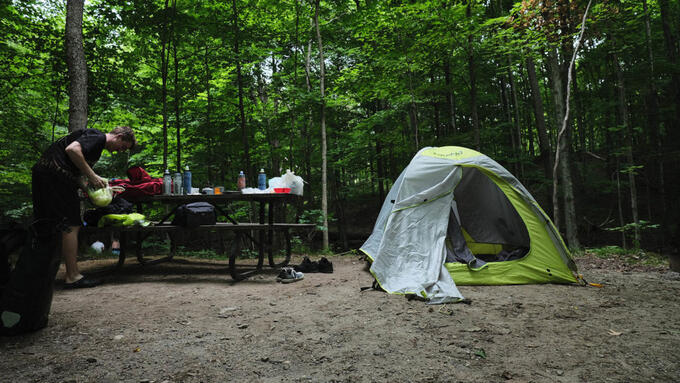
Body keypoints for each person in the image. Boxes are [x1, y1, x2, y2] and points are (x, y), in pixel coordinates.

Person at [31, 126, 136, 288]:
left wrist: (89, 189)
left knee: (47, 223)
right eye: (122, 147)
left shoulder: (94, 145)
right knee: (72, 224)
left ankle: (37, 275)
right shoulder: (98, 137)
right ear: (119, 137)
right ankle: (72, 276)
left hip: (46, 175)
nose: (118, 151)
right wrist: (92, 176)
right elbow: (72, 149)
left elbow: (75, 170)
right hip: (54, 178)